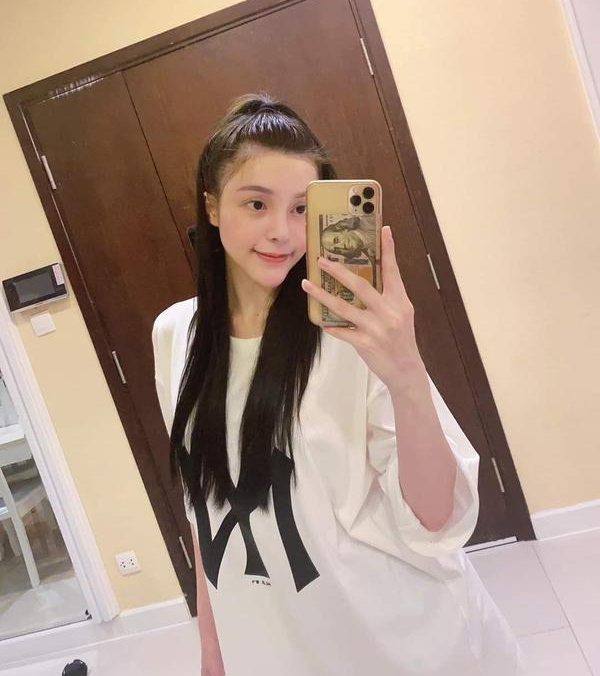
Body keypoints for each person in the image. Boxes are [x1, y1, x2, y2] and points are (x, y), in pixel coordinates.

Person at [151, 94, 525, 675]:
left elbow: (435, 519)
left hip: (402, 643)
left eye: (302, 208)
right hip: (278, 646)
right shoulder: (177, 333)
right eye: (257, 203)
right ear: (214, 207)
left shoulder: (352, 334)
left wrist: (405, 371)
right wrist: (212, 646)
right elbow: (205, 501)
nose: (282, 232)